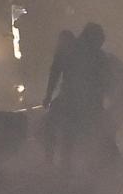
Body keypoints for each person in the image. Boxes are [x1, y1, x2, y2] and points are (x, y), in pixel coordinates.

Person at [59, 23, 111, 172]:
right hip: (86, 101)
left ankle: (69, 164)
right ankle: (89, 165)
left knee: (72, 133)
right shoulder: (97, 55)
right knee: (89, 132)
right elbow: (104, 79)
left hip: (74, 99)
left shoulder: (73, 50)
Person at [41, 30, 76, 163]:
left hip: (69, 97)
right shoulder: (83, 54)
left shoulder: (63, 54)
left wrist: (48, 97)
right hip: (78, 98)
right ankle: (64, 160)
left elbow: (54, 76)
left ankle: (50, 159)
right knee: (68, 131)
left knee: (50, 126)